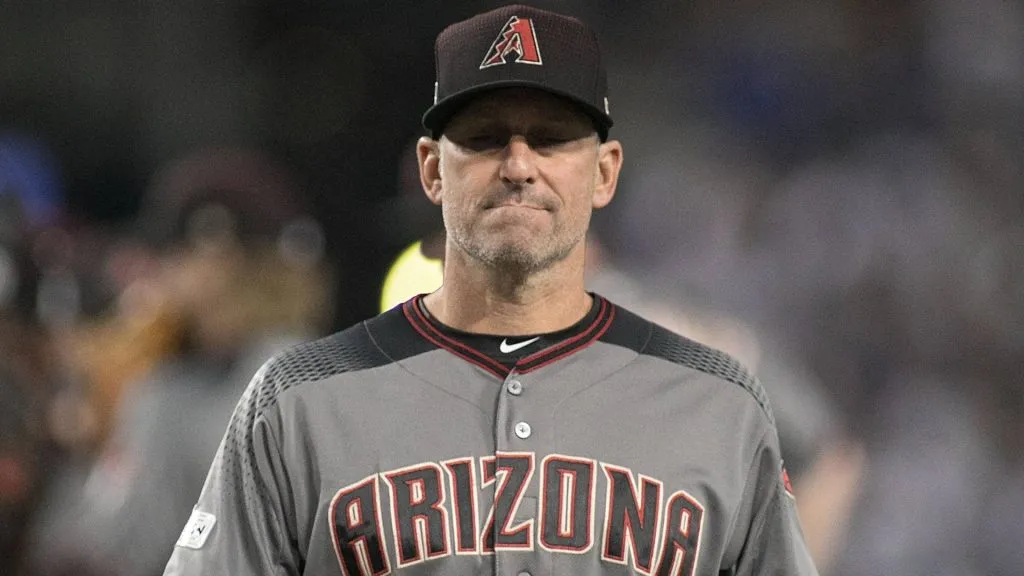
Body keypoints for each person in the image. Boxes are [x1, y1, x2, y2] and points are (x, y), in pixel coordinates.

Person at [165, 5, 818, 575]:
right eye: (483, 139)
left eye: (552, 138)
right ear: (431, 171)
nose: (518, 165)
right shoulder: (298, 403)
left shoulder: (717, 404)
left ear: (605, 173)